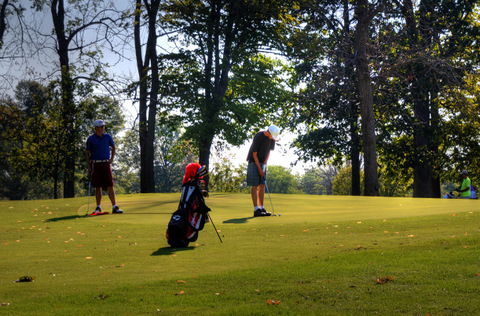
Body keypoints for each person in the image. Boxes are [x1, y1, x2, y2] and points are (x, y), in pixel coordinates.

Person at [86, 119, 123, 215]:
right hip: (95, 163)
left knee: (110, 185)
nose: (102, 128)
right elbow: (87, 153)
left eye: (103, 127)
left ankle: (114, 206)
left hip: (106, 163)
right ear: (96, 128)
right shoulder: (91, 139)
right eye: (100, 127)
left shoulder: (107, 137)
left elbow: (114, 147)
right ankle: (98, 207)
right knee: (98, 186)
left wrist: (112, 159)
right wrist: (89, 166)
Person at [246, 125, 280, 217]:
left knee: (262, 184)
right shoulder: (258, 136)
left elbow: (269, 151)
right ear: (269, 132)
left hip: (263, 162)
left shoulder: (272, 138)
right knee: (254, 186)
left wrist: (265, 164)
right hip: (253, 162)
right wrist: (260, 169)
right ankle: (256, 209)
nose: (273, 138)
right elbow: (254, 154)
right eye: (272, 136)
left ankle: (261, 208)